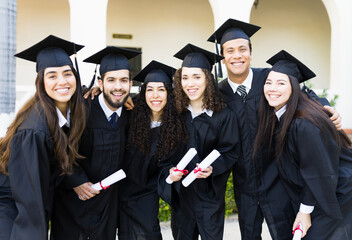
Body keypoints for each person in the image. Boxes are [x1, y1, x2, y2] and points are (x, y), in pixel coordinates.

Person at [207, 18, 342, 240]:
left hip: (278, 177)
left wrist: (326, 107)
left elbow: (304, 95)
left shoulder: (268, 80)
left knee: (287, 233)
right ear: (223, 56)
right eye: (230, 50)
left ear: (251, 52)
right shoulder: (218, 94)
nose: (237, 55)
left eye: (243, 49)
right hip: (244, 183)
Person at [0, 35, 86, 240]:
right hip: (10, 201)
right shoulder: (34, 131)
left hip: (31, 191)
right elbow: (30, 201)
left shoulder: (68, 111)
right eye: (52, 76)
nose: (62, 81)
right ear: (41, 83)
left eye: (67, 74)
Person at [253, 50, 352, 239]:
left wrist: (304, 211)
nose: (272, 88)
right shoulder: (284, 112)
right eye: (268, 82)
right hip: (325, 187)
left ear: (294, 88)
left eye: (281, 83)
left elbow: (318, 171)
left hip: (337, 189)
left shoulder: (304, 123)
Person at [50, 46, 141, 240]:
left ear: (131, 84)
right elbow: (57, 149)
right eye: (111, 80)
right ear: (100, 83)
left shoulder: (131, 114)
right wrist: (75, 181)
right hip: (73, 205)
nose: (118, 86)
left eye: (124, 80)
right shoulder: (79, 110)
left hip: (107, 208)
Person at [165, 43, 240, 240]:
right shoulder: (175, 113)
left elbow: (230, 150)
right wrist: (170, 171)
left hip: (210, 198)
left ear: (208, 79)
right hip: (182, 197)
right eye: (185, 78)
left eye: (196, 77)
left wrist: (213, 168)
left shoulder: (224, 116)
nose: (190, 83)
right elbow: (165, 154)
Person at [118, 60, 187, 240]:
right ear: (143, 93)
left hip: (147, 192)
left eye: (161, 89)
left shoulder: (176, 126)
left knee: (149, 233)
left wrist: (171, 172)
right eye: (150, 89)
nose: (155, 95)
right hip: (119, 188)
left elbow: (168, 164)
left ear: (169, 93)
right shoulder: (129, 114)